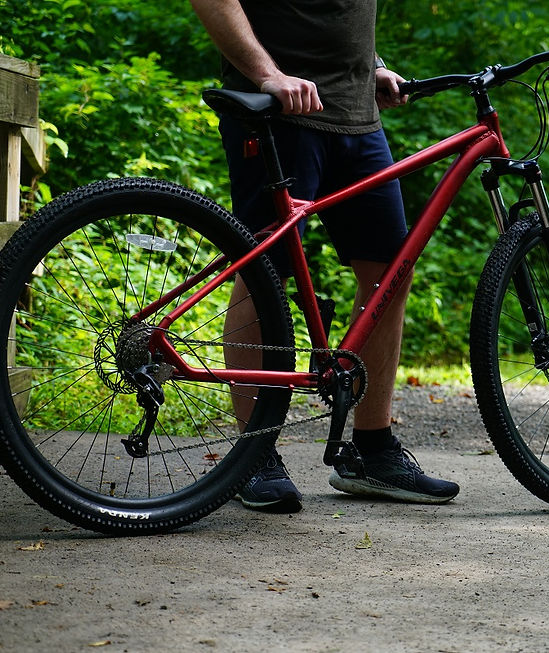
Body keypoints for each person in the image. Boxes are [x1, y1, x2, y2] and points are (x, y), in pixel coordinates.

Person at [189, 0, 459, 513]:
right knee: (264, 274)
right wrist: (267, 74)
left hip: (357, 118)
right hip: (279, 108)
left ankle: (372, 452)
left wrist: (372, 64)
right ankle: (254, 453)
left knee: (390, 272)